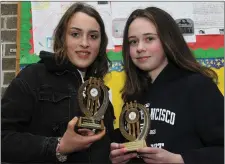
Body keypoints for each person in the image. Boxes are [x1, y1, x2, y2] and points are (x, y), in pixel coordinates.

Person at [2, 2, 115, 163]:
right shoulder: (33, 77)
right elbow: (3, 139)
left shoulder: (99, 89)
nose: (85, 43)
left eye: (93, 36)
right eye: (75, 34)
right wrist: (58, 146)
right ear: (62, 37)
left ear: (101, 43)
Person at [110, 7, 224, 164]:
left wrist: (179, 160)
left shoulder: (197, 86)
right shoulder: (134, 96)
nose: (140, 48)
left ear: (168, 40)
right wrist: (119, 158)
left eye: (149, 39)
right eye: (133, 41)